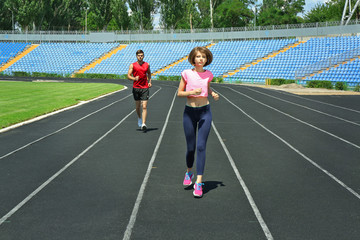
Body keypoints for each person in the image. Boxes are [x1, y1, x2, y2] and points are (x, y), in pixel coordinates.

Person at [177, 46, 219, 198]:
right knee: (191, 148)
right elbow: (179, 93)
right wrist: (191, 92)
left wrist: (213, 93)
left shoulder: (209, 74)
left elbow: (206, 87)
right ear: (193, 59)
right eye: (198, 56)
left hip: (205, 112)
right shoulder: (186, 74)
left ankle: (199, 182)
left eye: (203, 57)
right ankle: (189, 172)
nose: (201, 59)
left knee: (201, 146)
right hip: (189, 113)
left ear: (207, 59)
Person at [128, 49, 152, 131]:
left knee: (144, 106)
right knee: (138, 107)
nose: (140, 57)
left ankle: (144, 124)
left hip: (145, 88)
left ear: (143, 56)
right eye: (139, 55)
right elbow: (128, 76)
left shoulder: (147, 64)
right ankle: (139, 118)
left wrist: (149, 82)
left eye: (141, 55)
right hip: (136, 88)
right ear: (136, 56)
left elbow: (149, 73)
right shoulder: (132, 65)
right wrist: (134, 78)